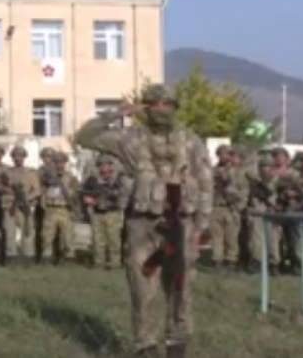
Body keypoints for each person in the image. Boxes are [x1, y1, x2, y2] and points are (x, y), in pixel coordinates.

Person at [74, 83, 213, 358]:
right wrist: (116, 113)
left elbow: (205, 182)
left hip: (179, 223)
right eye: (154, 103)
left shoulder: (191, 140)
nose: (161, 108)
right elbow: (84, 136)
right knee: (142, 286)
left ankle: (177, 344)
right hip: (143, 225)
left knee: (180, 286)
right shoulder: (128, 138)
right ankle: (145, 346)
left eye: (167, 104)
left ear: (175, 107)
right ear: (146, 108)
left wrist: (202, 225)